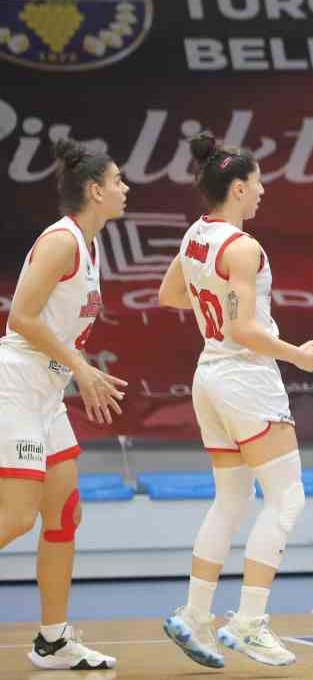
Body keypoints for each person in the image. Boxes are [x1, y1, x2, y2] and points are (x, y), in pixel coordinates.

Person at [158, 131, 313, 669]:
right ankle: (250, 622)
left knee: (230, 500)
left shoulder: (195, 236)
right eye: (256, 184)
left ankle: (194, 613)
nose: (261, 193)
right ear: (235, 187)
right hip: (246, 378)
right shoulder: (244, 247)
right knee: (287, 498)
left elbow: (168, 295)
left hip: (208, 374)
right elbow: (245, 327)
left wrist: (211, 296)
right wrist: (294, 353)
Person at [0, 138, 128, 671]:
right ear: (95, 191)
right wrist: (81, 369)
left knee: (64, 511)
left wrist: (75, 370)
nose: (126, 188)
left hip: (46, 392)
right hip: (16, 385)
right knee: (16, 517)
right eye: (118, 181)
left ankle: (52, 641)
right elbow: (21, 319)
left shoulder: (90, 244)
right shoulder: (61, 242)